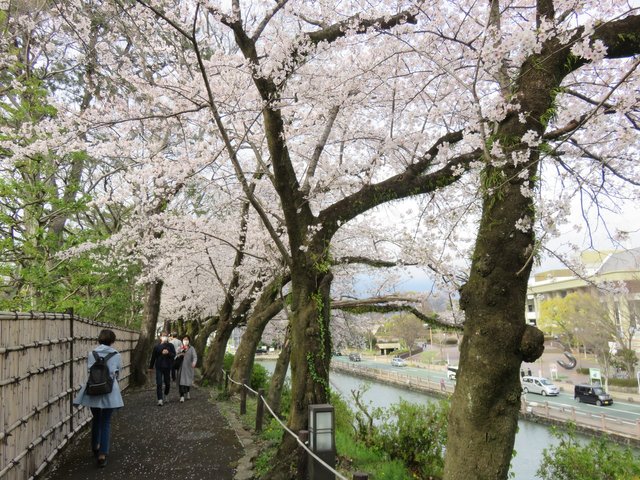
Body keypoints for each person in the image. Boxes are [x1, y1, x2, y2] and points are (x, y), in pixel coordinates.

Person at [73, 329, 124, 468]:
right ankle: (102, 454)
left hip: (93, 389)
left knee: (96, 418)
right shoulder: (116, 355)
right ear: (112, 341)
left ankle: (95, 446)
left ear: (99, 339)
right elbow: (118, 371)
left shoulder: (91, 354)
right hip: (109, 390)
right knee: (106, 421)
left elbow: (90, 371)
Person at [149, 331, 176, 406]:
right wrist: (150, 367)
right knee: (159, 383)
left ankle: (166, 394)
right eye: (163, 336)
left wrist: (168, 353)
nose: (165, 337)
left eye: (166, 336)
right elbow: (153, 357)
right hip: (159, 367)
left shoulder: (171, 346)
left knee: (167, 383)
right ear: (160, 337)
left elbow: (174, 355)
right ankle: (160, 399)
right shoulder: (157, 346)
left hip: (167, 367)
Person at [176, 335, 197, 403]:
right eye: (184, 339)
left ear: (189, 340)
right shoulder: (179, 348)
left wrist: (194, 363)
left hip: (189, 367)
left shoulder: (192, 348)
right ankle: (181, 396)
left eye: (187, 339)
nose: (185, 341)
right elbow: (175, 356)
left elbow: (195, 357)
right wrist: (180, 353)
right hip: (181, 367)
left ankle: (188, 391)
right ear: (182, 340)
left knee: (187, 381)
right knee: (181, 382)